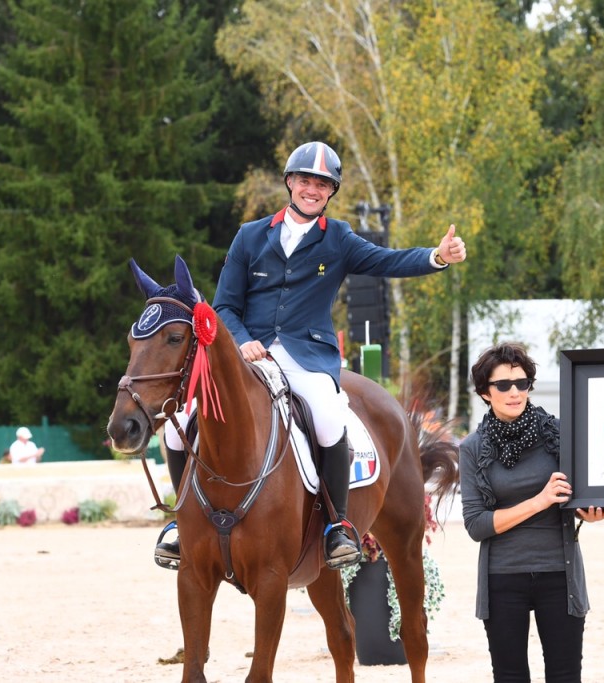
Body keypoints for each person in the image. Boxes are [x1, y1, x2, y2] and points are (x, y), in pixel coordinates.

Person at [154, 140, 466, 571]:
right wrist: (242, 340)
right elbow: (224, 304)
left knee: (325, 413)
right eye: (305, 180)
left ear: (331, 191)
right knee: (176, 429)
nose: (312, 189)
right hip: (250, 357)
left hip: (306, 357)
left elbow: (386, 261)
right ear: (290, 182)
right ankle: (179, 521)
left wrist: (436, 256)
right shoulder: (250, 236)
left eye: (322, 184)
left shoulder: (338, 238)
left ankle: (337, 525)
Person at [460, 342, 604, 682]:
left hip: (559, 574)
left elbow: (580, 497)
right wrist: (539, 501)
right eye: (503, 385)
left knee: (565, 675)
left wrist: (590, 512)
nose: (515, 392)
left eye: (522, 383)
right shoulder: (471, 449)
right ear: (485, 392)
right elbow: (476, 524)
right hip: (502, 577)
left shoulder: (560, 434)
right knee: (510, 676)